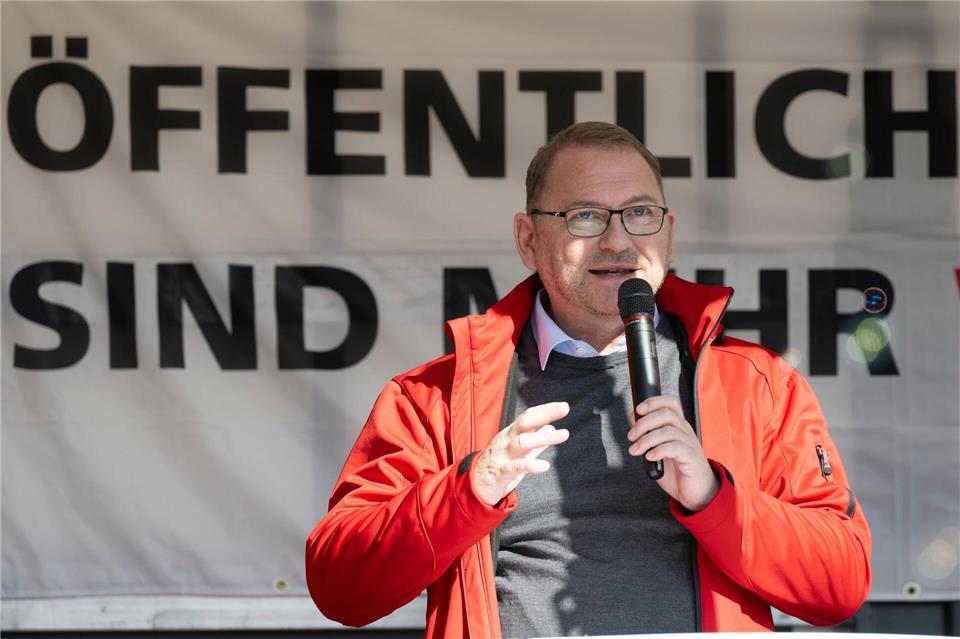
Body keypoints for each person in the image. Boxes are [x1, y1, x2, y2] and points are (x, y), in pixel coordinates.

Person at [306, 122, 872, 637]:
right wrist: (468, 488)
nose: (619, 241)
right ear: (528, 240)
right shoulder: (437, 395)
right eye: (585, 216)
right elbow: (340, 588)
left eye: (640, 213)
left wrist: (713, 496)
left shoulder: (759, 384)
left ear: (668, 234)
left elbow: (841, 584)